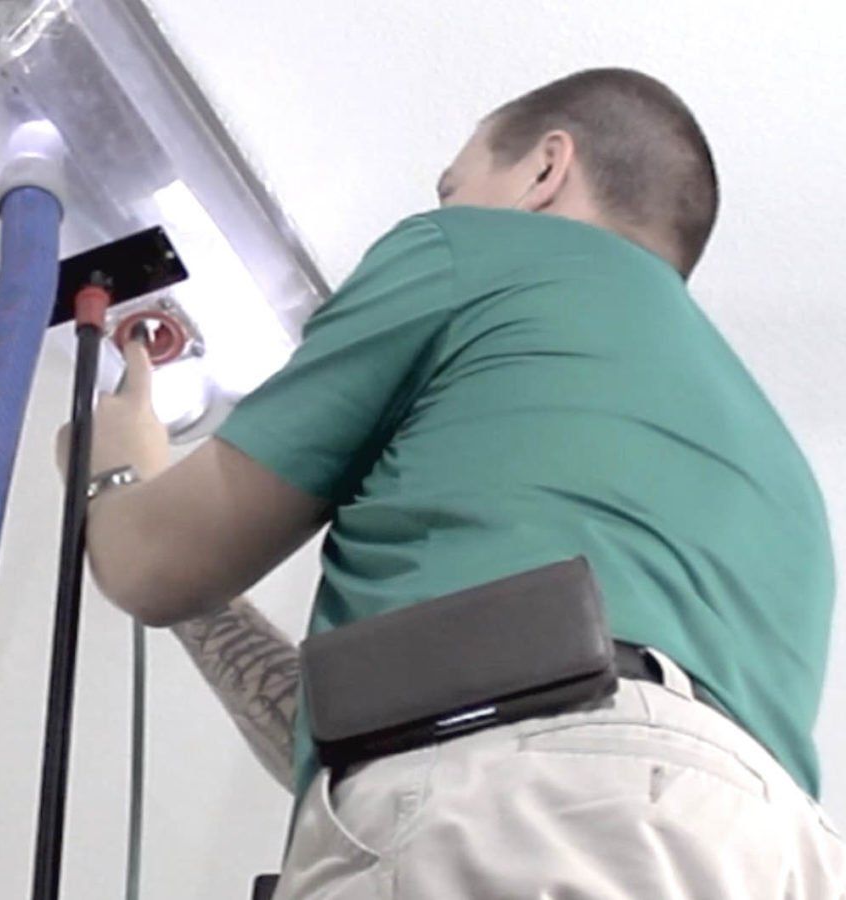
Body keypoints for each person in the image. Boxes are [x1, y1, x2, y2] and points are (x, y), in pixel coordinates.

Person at [58, 68, 845, 897]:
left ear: (546, 170)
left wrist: (117, 467)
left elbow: (154, 562)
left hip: (543, 806)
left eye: (454, 186)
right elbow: (395, 737)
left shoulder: (480, 252)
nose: (444, 212)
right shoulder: (784, 483)